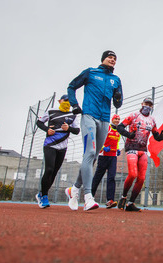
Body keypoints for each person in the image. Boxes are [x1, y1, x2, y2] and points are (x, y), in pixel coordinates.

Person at [65, 50, 123, 211]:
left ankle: (74, 189)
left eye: (115, 58)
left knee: (92, 157)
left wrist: (117, 98)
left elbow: (118, 104)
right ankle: (88, 197)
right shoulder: (91, 72)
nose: (113, 60)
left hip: (105, 119)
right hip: (89, 116)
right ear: (103, 59)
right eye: (110, 57)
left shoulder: (116, 80)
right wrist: (75, 104)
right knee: (90, 152)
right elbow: (71, 87)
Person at [117, 98, 163, 212]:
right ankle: (123, 197)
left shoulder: (152, 120)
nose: (147, 106)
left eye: (150, 105)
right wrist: (128, 134)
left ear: (152, 107)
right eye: (146, 104)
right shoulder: (134, 115)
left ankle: (131, 203)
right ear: (142, 104)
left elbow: (155, 133)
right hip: (131, 148)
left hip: (143, 150)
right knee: (133, 174)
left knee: (142, 178)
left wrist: (159, 137)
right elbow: (119, 127)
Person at [35, 94, 80, 208]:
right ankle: (44, 196)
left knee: (54, 172)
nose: (67, 102)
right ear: (60, 101)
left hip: (62, 147)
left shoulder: (73, 115)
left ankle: (41, 194)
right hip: (50, 144)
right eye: (65, 100)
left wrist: (68, 128)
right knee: (49, 169)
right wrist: (47, 129)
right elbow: (39, 122)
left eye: (70, 101)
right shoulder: (51, 111)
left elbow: (77, 130)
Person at [91, 114, 121, 209]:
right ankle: (90, 197)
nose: (117, 120)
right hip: (103, 156)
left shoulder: (118, 131)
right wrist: (103, 148)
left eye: (119, 119)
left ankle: (110, 200)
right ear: (112, 119)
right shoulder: (107, 128)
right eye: (116, 119)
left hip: (113, 157)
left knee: (111, 177)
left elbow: (117, 143)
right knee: (97, 177)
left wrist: (118, 149)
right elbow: (98, 139)